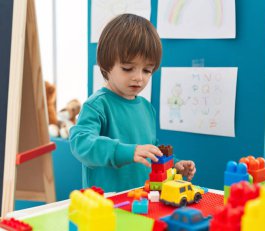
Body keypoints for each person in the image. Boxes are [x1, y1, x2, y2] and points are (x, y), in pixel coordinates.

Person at [70, 14, 196, 192]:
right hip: (107, 205)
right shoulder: (97, 105)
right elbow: (81, 143)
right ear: (106, 65)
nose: (139, 78)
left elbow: (150, 152)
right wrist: (128, 151)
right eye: (128, 68)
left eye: (147, 70)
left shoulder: (146, 108)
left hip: (143, 199)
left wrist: (174, 165)